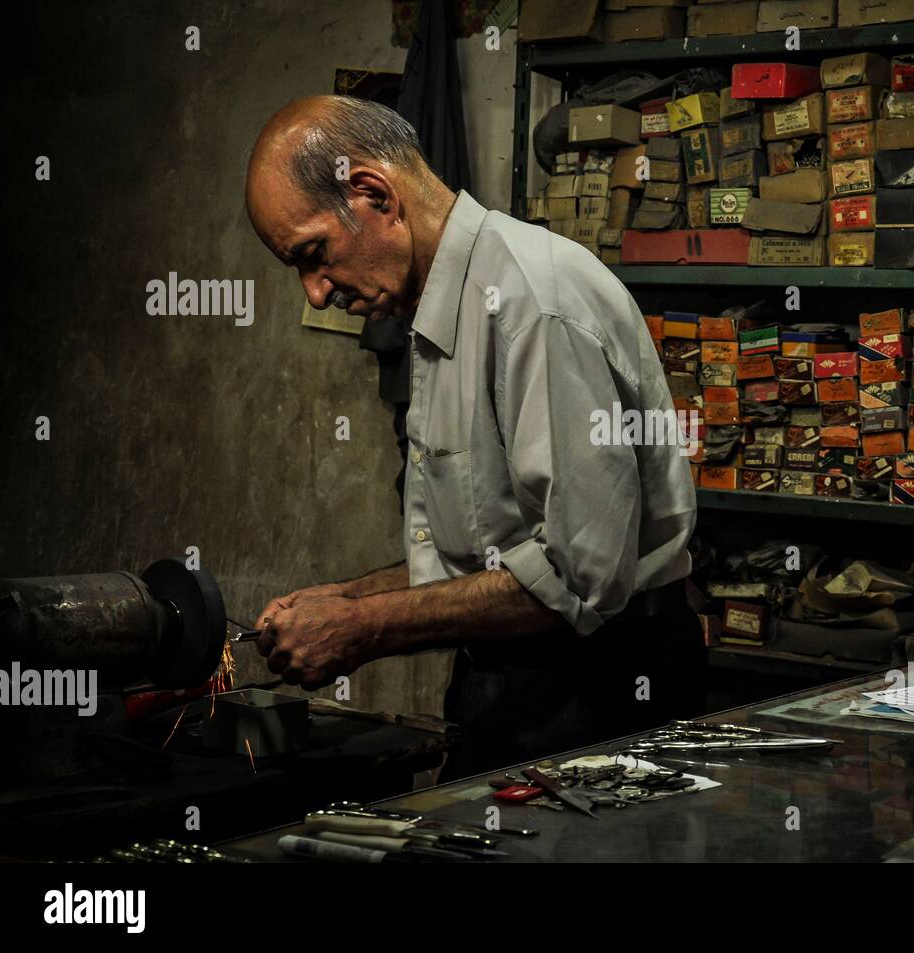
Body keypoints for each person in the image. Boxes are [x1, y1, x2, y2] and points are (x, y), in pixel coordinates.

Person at [243, 95, 703, 779]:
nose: (315, 292)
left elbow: (576, 581)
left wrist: (364, 629)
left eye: (314, 255)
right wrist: (348, 599)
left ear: (374, 195)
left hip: (599, 698)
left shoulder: (530, 304)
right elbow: (489, 556)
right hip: (510, 688)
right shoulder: (440, 310)